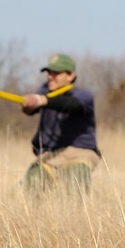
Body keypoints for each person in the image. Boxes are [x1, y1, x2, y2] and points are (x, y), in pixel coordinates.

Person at [21, 53, 101, 194]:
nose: (50, 77)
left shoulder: (83, 96)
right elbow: (32, 108)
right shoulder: (45, 90)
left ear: (70, 76)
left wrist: (42, 100)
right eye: (49, 73)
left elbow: (70, 105)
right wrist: (30, 106)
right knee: (31, 184)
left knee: (75, 185)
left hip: (80, 153)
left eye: (56, 73)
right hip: (50, 155)